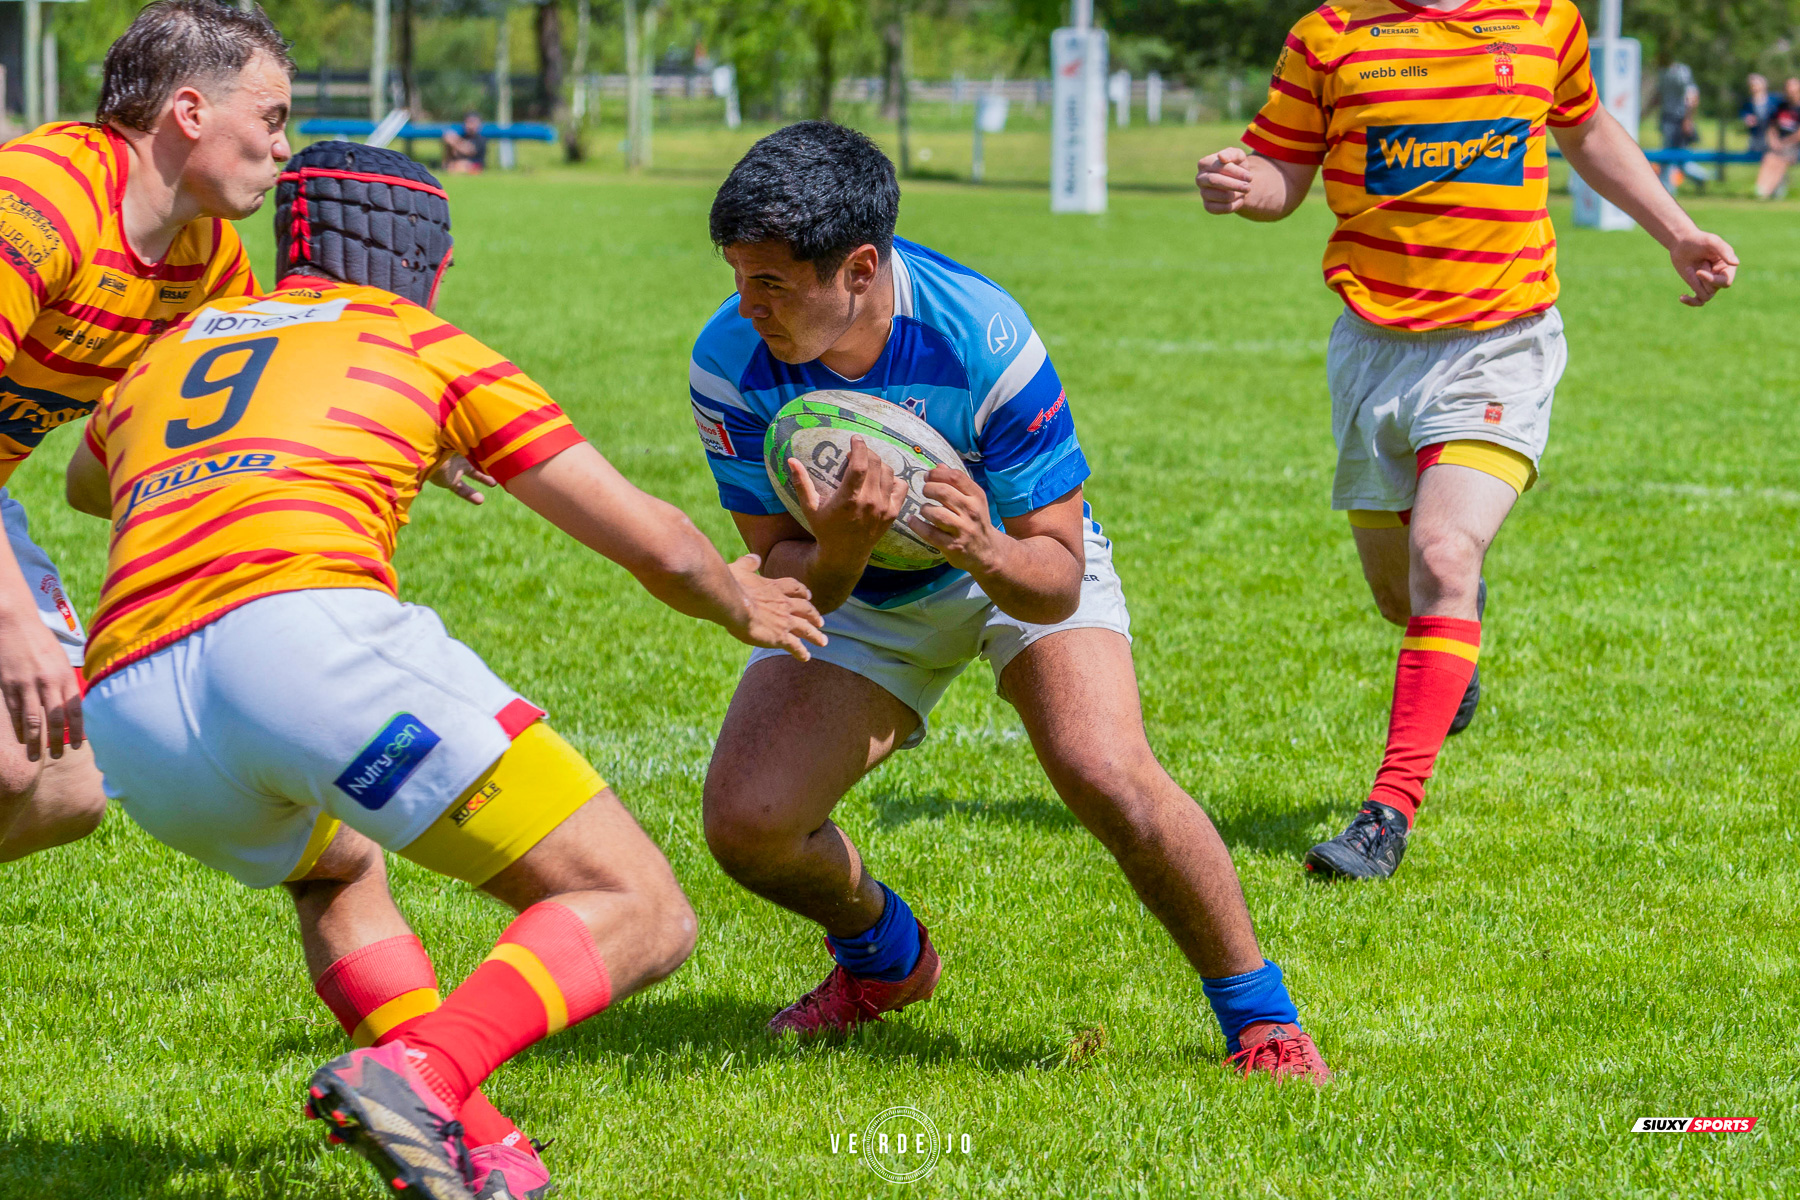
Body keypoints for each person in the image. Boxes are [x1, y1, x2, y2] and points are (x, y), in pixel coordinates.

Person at [66, 141, 827, 1200]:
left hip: (136, 714)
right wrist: (742, 598)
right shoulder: (419, 342)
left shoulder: (170, 351)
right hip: (302, 646)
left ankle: (481, 1151)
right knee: (639, 906)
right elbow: (651, 540)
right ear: (413, 248)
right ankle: (422, 1070)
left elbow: (90, 484)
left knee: (332, 867)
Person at [689, 122, 1329, 1082]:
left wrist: (979, 543)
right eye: (738, 276)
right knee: (748, 824)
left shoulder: (985, 340)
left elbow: (1057, 575)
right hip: (860, 587)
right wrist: (849, 545)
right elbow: (785, 581)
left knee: (1105, 770)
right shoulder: (728, 361)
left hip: (1011, 562)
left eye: (772, 283)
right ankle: (884, 961)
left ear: (860, 267)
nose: (748, 306)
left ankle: (1260, 1017)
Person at [1197, 0, 1736, 880]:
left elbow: (1589, 131)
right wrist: (1237, 183)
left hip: (1502, 342)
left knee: (1443, 555)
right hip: (1373, 350)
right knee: (1399, 592)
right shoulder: (1329, 33)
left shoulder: (1543, 19)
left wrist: (1676, 232)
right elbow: (1281, 177)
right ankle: (1455, 631)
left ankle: (1385, 817)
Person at [0, 0, 287, 865]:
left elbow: (261, 416)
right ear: (190, 113)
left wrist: (428, 428)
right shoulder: (38, 206)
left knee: (64, 782)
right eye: (271, 119)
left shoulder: (205, 260)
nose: (283, 148)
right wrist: (13, 622)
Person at [1658, 61, 1701, 191]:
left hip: (1678, 120)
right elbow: (1658, 96)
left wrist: (1687, 120)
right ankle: (1700, 178)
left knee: (1675, 157)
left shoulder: (1681, 73)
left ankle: (1667, 188)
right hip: (1669, 118)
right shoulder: (1664, 73)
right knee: (1675, 157)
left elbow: (1692, 97)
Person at [1762, 76, 1800, 199]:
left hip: (1794, 146)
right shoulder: (1781, 106)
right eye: (1787, 88)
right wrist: (1773, 140)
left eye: (1792, 88)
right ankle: (1762, 189)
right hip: (1779, 145)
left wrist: (1784, 142)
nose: (1789, 90)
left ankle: (1768, 191)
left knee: (1780, 160)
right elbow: (1772, 127)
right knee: (1769, 158)